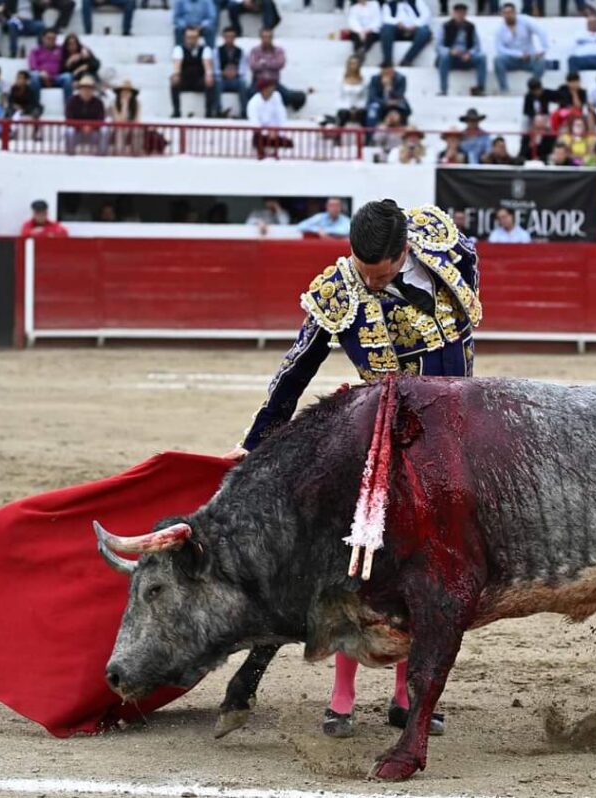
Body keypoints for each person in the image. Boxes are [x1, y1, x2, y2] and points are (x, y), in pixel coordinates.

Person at [223, 200, 480, 740]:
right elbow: (295, 370)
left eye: (379, 275)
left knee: (434, 566)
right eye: (361, 271)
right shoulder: (339, 291)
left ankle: (409, 694)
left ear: (404, 251)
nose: (368, 282)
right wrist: (256, 444)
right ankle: (342, 695)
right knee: (357, 558)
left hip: (450, 434)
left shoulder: (447, 249)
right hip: (380, 435)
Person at [248, 28, 306, 111]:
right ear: (260, 38)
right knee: (250, 94)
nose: (266, 39)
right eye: (264, 37)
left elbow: (280, 64)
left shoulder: (279, 51)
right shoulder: (255, 51)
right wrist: (271, 63)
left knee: (291, 96)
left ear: (272, 38)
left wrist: (263, 63)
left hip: (274, 84)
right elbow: (253, 65)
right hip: (258, 83)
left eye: (268, 37)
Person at [494, 2, 548, 91]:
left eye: (510, 12)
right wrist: (519, 54)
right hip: (512, 60)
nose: (508, 15)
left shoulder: (525, 21)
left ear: (515, 12)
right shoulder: (500, 29)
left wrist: (542, 50)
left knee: (541, 62)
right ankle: (504, 89)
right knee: (498, 60)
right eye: (505, 13)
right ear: (502, 14)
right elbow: (500, 49)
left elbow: (541, 32)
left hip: (529, 58)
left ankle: (533, 89)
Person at [436, 3, 486, 96]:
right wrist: (450, 51)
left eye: (463, 13)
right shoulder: (445, 26)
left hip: (466, 57)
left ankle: (480, 87)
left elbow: (477, 46)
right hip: (451, 58)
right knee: (444, 57)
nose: (460, 15)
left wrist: (469, 54)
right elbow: (438, 46)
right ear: (453, 13)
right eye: (458, 13)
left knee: (481, 58)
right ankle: (443, 89)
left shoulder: (471, 27)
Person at [170, 25, 215, 118]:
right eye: (189, 37)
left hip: (198, 80)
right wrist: (176, 75)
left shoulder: (205, 49)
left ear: (198, 38)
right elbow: (177, 65)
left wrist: (209, 75)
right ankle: (176, 111)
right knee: (173, 80)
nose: (191, 40)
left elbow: (207, 66)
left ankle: (209, 112)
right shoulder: (179, 49)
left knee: (211, 80)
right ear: (185, 38)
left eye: (194, 37)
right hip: (185, 80)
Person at [64, 73, 109, 155]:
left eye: (89, 89)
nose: (86, 91)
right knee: (69, 131)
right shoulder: (72, 101)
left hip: (94, 132)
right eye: (84, 88)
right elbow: (69, 118)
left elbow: (101, 119)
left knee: (105, 131)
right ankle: (69, 155)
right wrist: (81, 126)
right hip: (77, 132)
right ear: (79, 89)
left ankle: (102, 156)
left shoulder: (98, 103)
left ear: (93, 90)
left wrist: (91, 127)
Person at [379, 0, 433, 66]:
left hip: (415, 30)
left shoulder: (417, 1)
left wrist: (415, 25)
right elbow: (385, 18)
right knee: (386, 29)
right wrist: (397, 23)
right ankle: (388, 61)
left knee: (424, 32)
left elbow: (426, 15)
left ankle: (407, 60)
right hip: (398, 30)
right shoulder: (389, 4)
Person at [212, 26, 248, 118]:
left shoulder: (240, 51)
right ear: (223, 37)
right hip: (222, 79)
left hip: (235, 79)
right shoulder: (217, 51)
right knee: (217, 82)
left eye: (232, 36)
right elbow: (215, 68)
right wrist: (223, 73)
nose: (229, 39)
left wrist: (236, 73)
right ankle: (218, 110)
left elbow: (243, 68)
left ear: (235, 38)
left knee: (242, 83)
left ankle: (244, 111)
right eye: (227, 36)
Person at [247, 79, 289, 158]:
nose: (272, 89)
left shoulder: (277, 96)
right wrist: (267, 132)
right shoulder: (253, 103)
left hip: (276, 133)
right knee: (258, 140)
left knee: (289, 143)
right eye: (270, 87)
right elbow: (255, 123)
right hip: (261, 134)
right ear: (263, 89)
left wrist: (278, 132)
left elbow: (281, 116)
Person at [365, 61, 410, 130]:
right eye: (384, 72)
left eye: (389, 72)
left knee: (398, 111)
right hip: (380, 102)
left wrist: (389, 87)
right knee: (372, 111)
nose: (387, 75)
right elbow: (372, 96)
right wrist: (385, 102)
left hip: (396, 103)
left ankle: (402, 134)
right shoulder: (375, 79)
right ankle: (370, 136)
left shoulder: (401, 78)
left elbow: (400, 94)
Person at [28, 30, 72, 102]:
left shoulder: (61, 49)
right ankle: (35, 105)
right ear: (43, 38)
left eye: (53, 38)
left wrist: (84, 49)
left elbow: (75, 46)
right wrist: (41, 72)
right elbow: (33, 65)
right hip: (41, 78)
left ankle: (69, 106)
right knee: (34, 75)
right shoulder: (36, 51)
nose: (51, 40)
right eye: (49, 38)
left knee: (67, 77)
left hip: (56, 78)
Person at [110, 79, 142, 154]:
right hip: (118, 127)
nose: (126, 94)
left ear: (132, 93)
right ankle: (120, 152)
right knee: (120, 131)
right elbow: (119, 121)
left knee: (137, 131)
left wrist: (130, 125)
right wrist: (125, 105)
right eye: (123, 91)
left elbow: (137, 120)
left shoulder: (137, 104)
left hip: (131, 125)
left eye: (128, 91)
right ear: (120, 93)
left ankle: (136, 152)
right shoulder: (114, 103)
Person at [336, 54, 366, 127]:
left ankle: (367, 137)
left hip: (358, 108)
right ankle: (338, 136)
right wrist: (349, 108)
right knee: (343, 113)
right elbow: (339, 97)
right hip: (345, 107)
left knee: (363, 113)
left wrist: (357, 107)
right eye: (351, 64)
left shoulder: (363, 80)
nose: (353, 66)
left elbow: (364, 97)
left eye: (355, 64)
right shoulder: (341, 80)